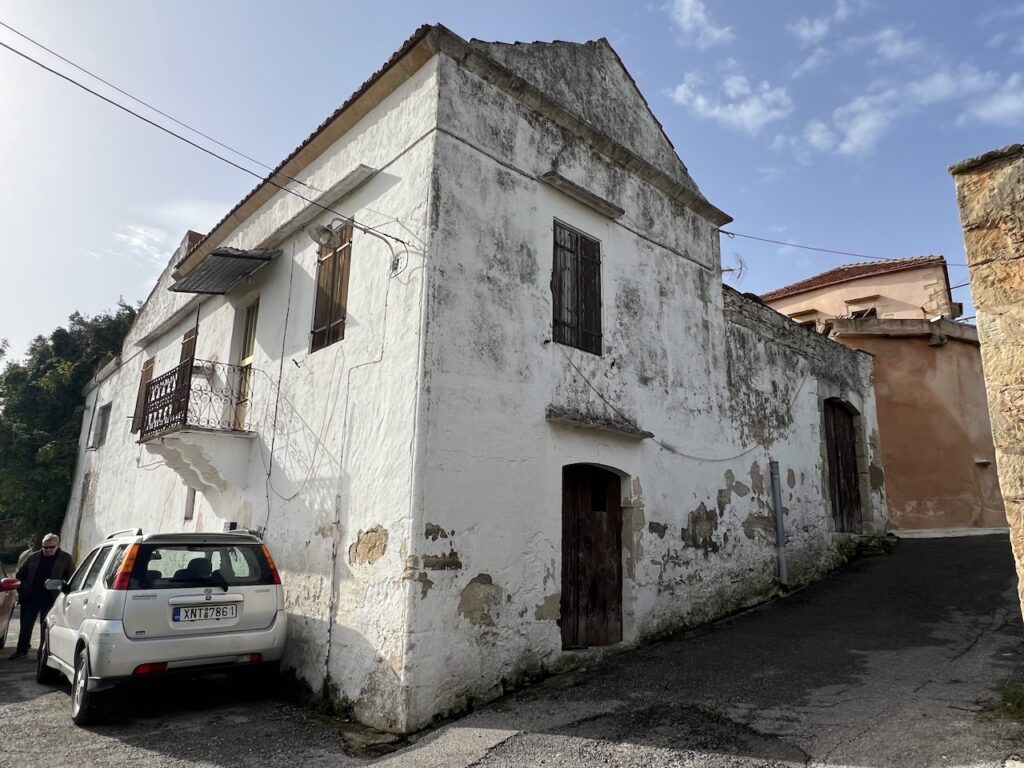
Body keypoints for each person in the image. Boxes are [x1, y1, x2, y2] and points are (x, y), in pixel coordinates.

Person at [9, 533, 75, 660]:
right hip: (30, 597)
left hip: (51, 598)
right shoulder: (33, 557)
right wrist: (22, 590)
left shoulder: (66, 558)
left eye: (51, 547)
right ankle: (21, 650)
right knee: (25, 626)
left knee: (47, 628)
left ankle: (43, 653)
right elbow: (20, 575)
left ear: (58, 545)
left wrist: (65, 590)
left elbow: (70, 578)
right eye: (45, 547)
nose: (48, 549)